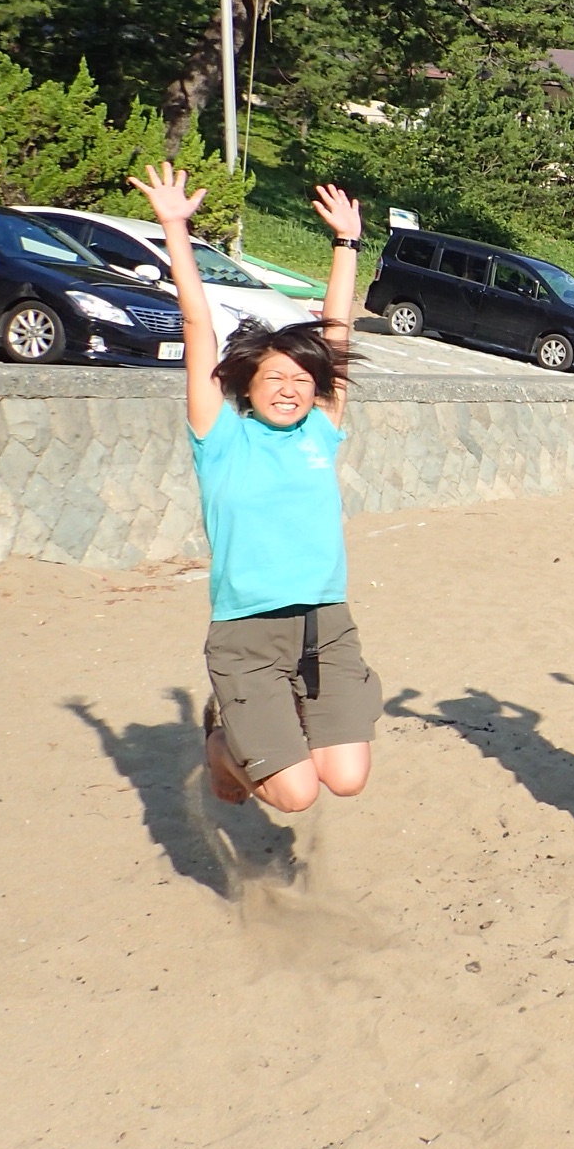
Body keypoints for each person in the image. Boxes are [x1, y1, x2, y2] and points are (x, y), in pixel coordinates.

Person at [131, 162, 382, 812]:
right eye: (276, 378)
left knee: (347, 778)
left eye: (302, 379)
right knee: (294, 796)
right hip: (246, 634)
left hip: (325, 626)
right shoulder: (220, 436)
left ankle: (281, 724)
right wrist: (175, 230)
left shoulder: (320, 431)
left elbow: (337, 336)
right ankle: (220, 746)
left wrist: (346, 245)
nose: (291, 387)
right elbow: (197, 328)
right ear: (247, 383)